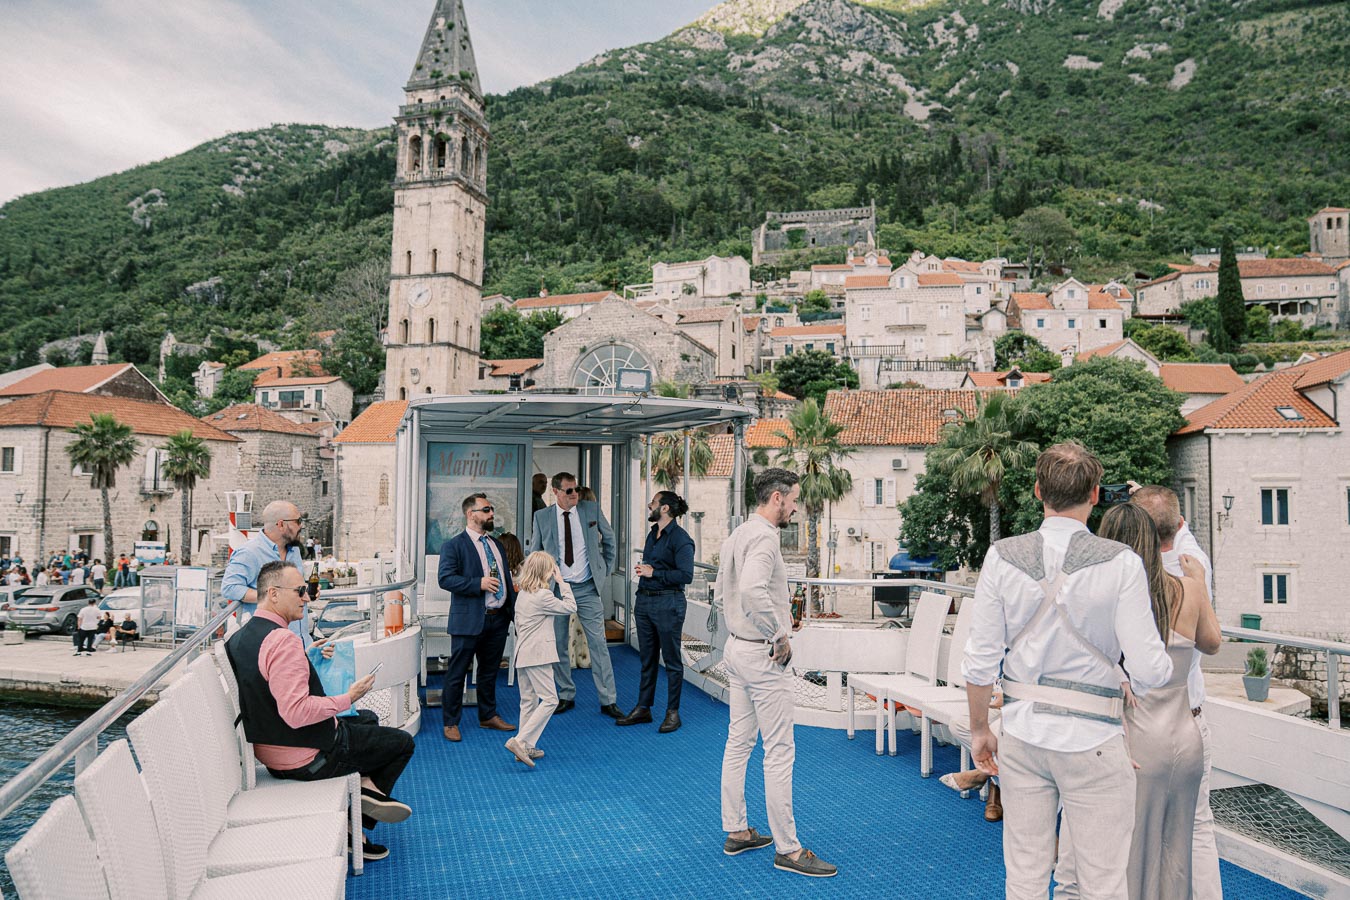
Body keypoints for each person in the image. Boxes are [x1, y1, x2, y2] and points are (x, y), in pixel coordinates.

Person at [963, 442, 1173, 899]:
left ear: (1039, 491)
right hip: (1094, 740)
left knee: (1024, 877)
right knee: (1102, 883)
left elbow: (979, 661)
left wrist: (980, 730)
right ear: (1095, 495)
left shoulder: (1001, 556)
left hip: (1022, 733)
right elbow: (1153, 672)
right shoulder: (1122, 563)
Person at [225, 561, 415, 861]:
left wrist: (307, 657)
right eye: (300, 591)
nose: (306, 597)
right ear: (273, 594)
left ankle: (364, 790)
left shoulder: (242, 637)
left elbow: (265, 686)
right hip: (306, 756)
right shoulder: (284, 641)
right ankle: (359, 823)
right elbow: (296, 712)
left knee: (368, 719)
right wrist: (347, 697)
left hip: (270, 749)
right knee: (402, 744)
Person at [718, 468, 837, 878]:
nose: (796, 508)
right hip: (763, 657)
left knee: (739, 743)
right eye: (793, 500)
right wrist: (777, 635)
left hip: (737, 649)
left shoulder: (738, 533)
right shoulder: (766, 539)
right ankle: (788, 848)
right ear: (776, 499)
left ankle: (737, 830)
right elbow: (752, 589)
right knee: (779, 751)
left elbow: (726, 589)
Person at [1130, 484, 1222, 900]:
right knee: (1196, 828)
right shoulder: (1192, 570)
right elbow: (1212, 642)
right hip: (1189, 716)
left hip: (1140, 723)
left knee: (1137, 830)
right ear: (1180, 525)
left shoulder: (1129, 575)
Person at [527, 472, 621, 718]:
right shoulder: (542, 517)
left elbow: (610, 540)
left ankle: (608, 699)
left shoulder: (590, 509)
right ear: (556, 492)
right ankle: (566, 694)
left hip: (588, 587)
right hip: (557, 591)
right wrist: (537, 584)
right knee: (558, 644)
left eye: (576, 489)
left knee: (599, 644)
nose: (574, 495)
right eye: (568, 491)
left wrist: (603, 571)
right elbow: (535, 552)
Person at [436, 493, 518, 743]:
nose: (491, 514)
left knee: (489, 671)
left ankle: (488, 715)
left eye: (491, 509)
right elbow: (445, 579)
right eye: (486, 510)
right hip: (469, 619)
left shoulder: (496, 545)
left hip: (497, 618)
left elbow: (504, 577)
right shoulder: (454, 546)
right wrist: (478, 583)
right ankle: (451, 722)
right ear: (471, 514)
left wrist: (512, 611)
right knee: (457, 672)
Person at [618, 490, 695, 733]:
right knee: (647, 659)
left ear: (664, 509)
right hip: (646, 602)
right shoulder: (653, 535)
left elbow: (686, 575)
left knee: (671, 660)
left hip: (668, 603)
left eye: (652, 502)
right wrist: (646, 571)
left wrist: (654, 573)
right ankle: (644, 708)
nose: (649, 505)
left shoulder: (681, 539)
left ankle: (673, 713)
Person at [508, 551, 577, 767]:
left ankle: (525, 747)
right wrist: (562, 582)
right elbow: (570, 607)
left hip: (523, 653)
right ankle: (519, 741)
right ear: (545, 571)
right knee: (550, 700)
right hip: (538, 655)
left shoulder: (523, 594)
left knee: (528, 702)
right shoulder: (543, 596)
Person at [222, 500, 313, 645]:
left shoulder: (294, 551)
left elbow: (291, 586)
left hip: (301, 641)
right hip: (270, 644)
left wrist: (305, 590)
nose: (301, 525)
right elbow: (230, 588)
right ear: (281, 524)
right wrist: (273, 596)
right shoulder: (249, 552)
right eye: (298, 521)